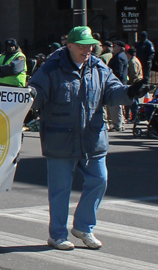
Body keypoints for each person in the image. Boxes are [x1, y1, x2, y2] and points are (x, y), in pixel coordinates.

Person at [29, 26, 148, 250]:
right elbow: (37, 94)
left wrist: (130, 92)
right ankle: (57, 235)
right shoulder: (51, 68)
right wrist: (31, 95)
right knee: (60, 190)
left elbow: (112, 91)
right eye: (82, 45)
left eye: (90, 45)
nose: (88, 49)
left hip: (93, 138)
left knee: (99, 180)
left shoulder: (98, 66)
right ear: (69, 46)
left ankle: (84, 227)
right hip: (60, 139)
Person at [107, 41, 128, 132]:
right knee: (118, 105)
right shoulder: (121, 56)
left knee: (115, 105)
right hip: (120, 83)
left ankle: (117, 125)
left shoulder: (119, 57)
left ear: (120, 48)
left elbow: (118, 72)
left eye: (114, 46)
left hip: (116, 84)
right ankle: (120, 123)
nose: (113, 47)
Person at [125, 47, 143, 122]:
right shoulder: (137, 60)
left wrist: (130, 82)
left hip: (134, 83)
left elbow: (134, 74)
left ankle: (134, 117)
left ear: (129, 54)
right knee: (135, 100)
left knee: (133, 101)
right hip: (138, 82)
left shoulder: (132, 62)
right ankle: (134, 116)